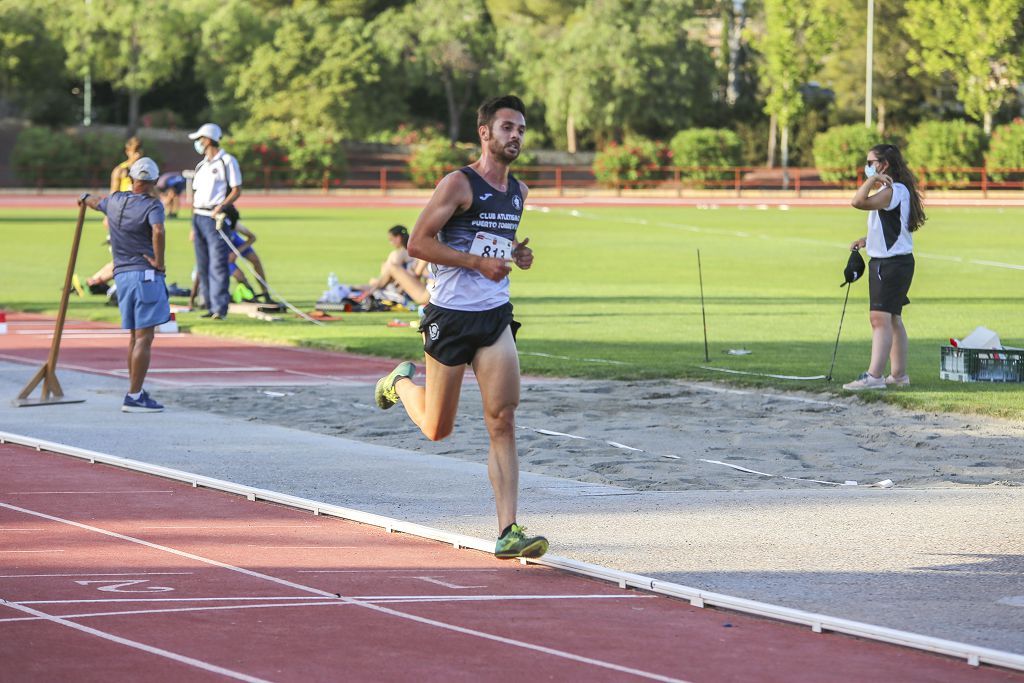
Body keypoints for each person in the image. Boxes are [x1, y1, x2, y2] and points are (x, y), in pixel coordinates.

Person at [373, 95, 545, 560]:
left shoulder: (519, 193)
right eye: (507, 127)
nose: (516, 136)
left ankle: (508, 529)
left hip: (494, 317)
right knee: (437, 429)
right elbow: (419, 242)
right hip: (449, 318)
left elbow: (499, 249)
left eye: (521, 129)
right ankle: (401, 382)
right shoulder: (459, 184)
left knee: (503, 418)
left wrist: (517, 257)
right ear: (485, 133)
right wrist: (476, 262)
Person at [79, 157, 170, 412]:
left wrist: (85, 196)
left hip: (121, 276)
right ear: (152, 181)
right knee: (144, 337)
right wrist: (159, 262)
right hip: (145, 275)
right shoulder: (153, 205)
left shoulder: (116, 200)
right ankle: (134, 395)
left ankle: (136, 389)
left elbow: (95, 202)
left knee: (133, 336)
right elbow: (159, 231)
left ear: (131, 178)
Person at [843, 143, 926, 391]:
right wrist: (868, 241)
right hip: (898, 262)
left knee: (879, 319)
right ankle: (898, 376)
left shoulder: (891, 190)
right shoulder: (899, 190)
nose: (867, 167)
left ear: (884, 165)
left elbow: (857, 201)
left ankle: (874, 376)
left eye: (871, 163)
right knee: (893, 320)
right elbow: (894, 228)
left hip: (889, 265)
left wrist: (872, 181)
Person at [189, 122, 242, 320]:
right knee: (202, 264)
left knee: (218, 263)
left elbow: (236, 190)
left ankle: (220, 308)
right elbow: (196, 195)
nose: (199, 143)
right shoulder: (201, 165)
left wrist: (221, 207)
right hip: (198, 216)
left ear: (209, 139)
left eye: (201, 139)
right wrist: (192, 224)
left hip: (215, 217)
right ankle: (209, 304)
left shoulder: (227, 161)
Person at [358, 225, 431, 307]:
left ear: (399, 238)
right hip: (421, 290)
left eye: (391, 240)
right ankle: (368, 290)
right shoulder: (419, 254)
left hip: (417, 293)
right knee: (379, 275)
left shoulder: (401, 254)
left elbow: (416, 275)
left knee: (386, 270)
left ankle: (368, 292)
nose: (390, 243)